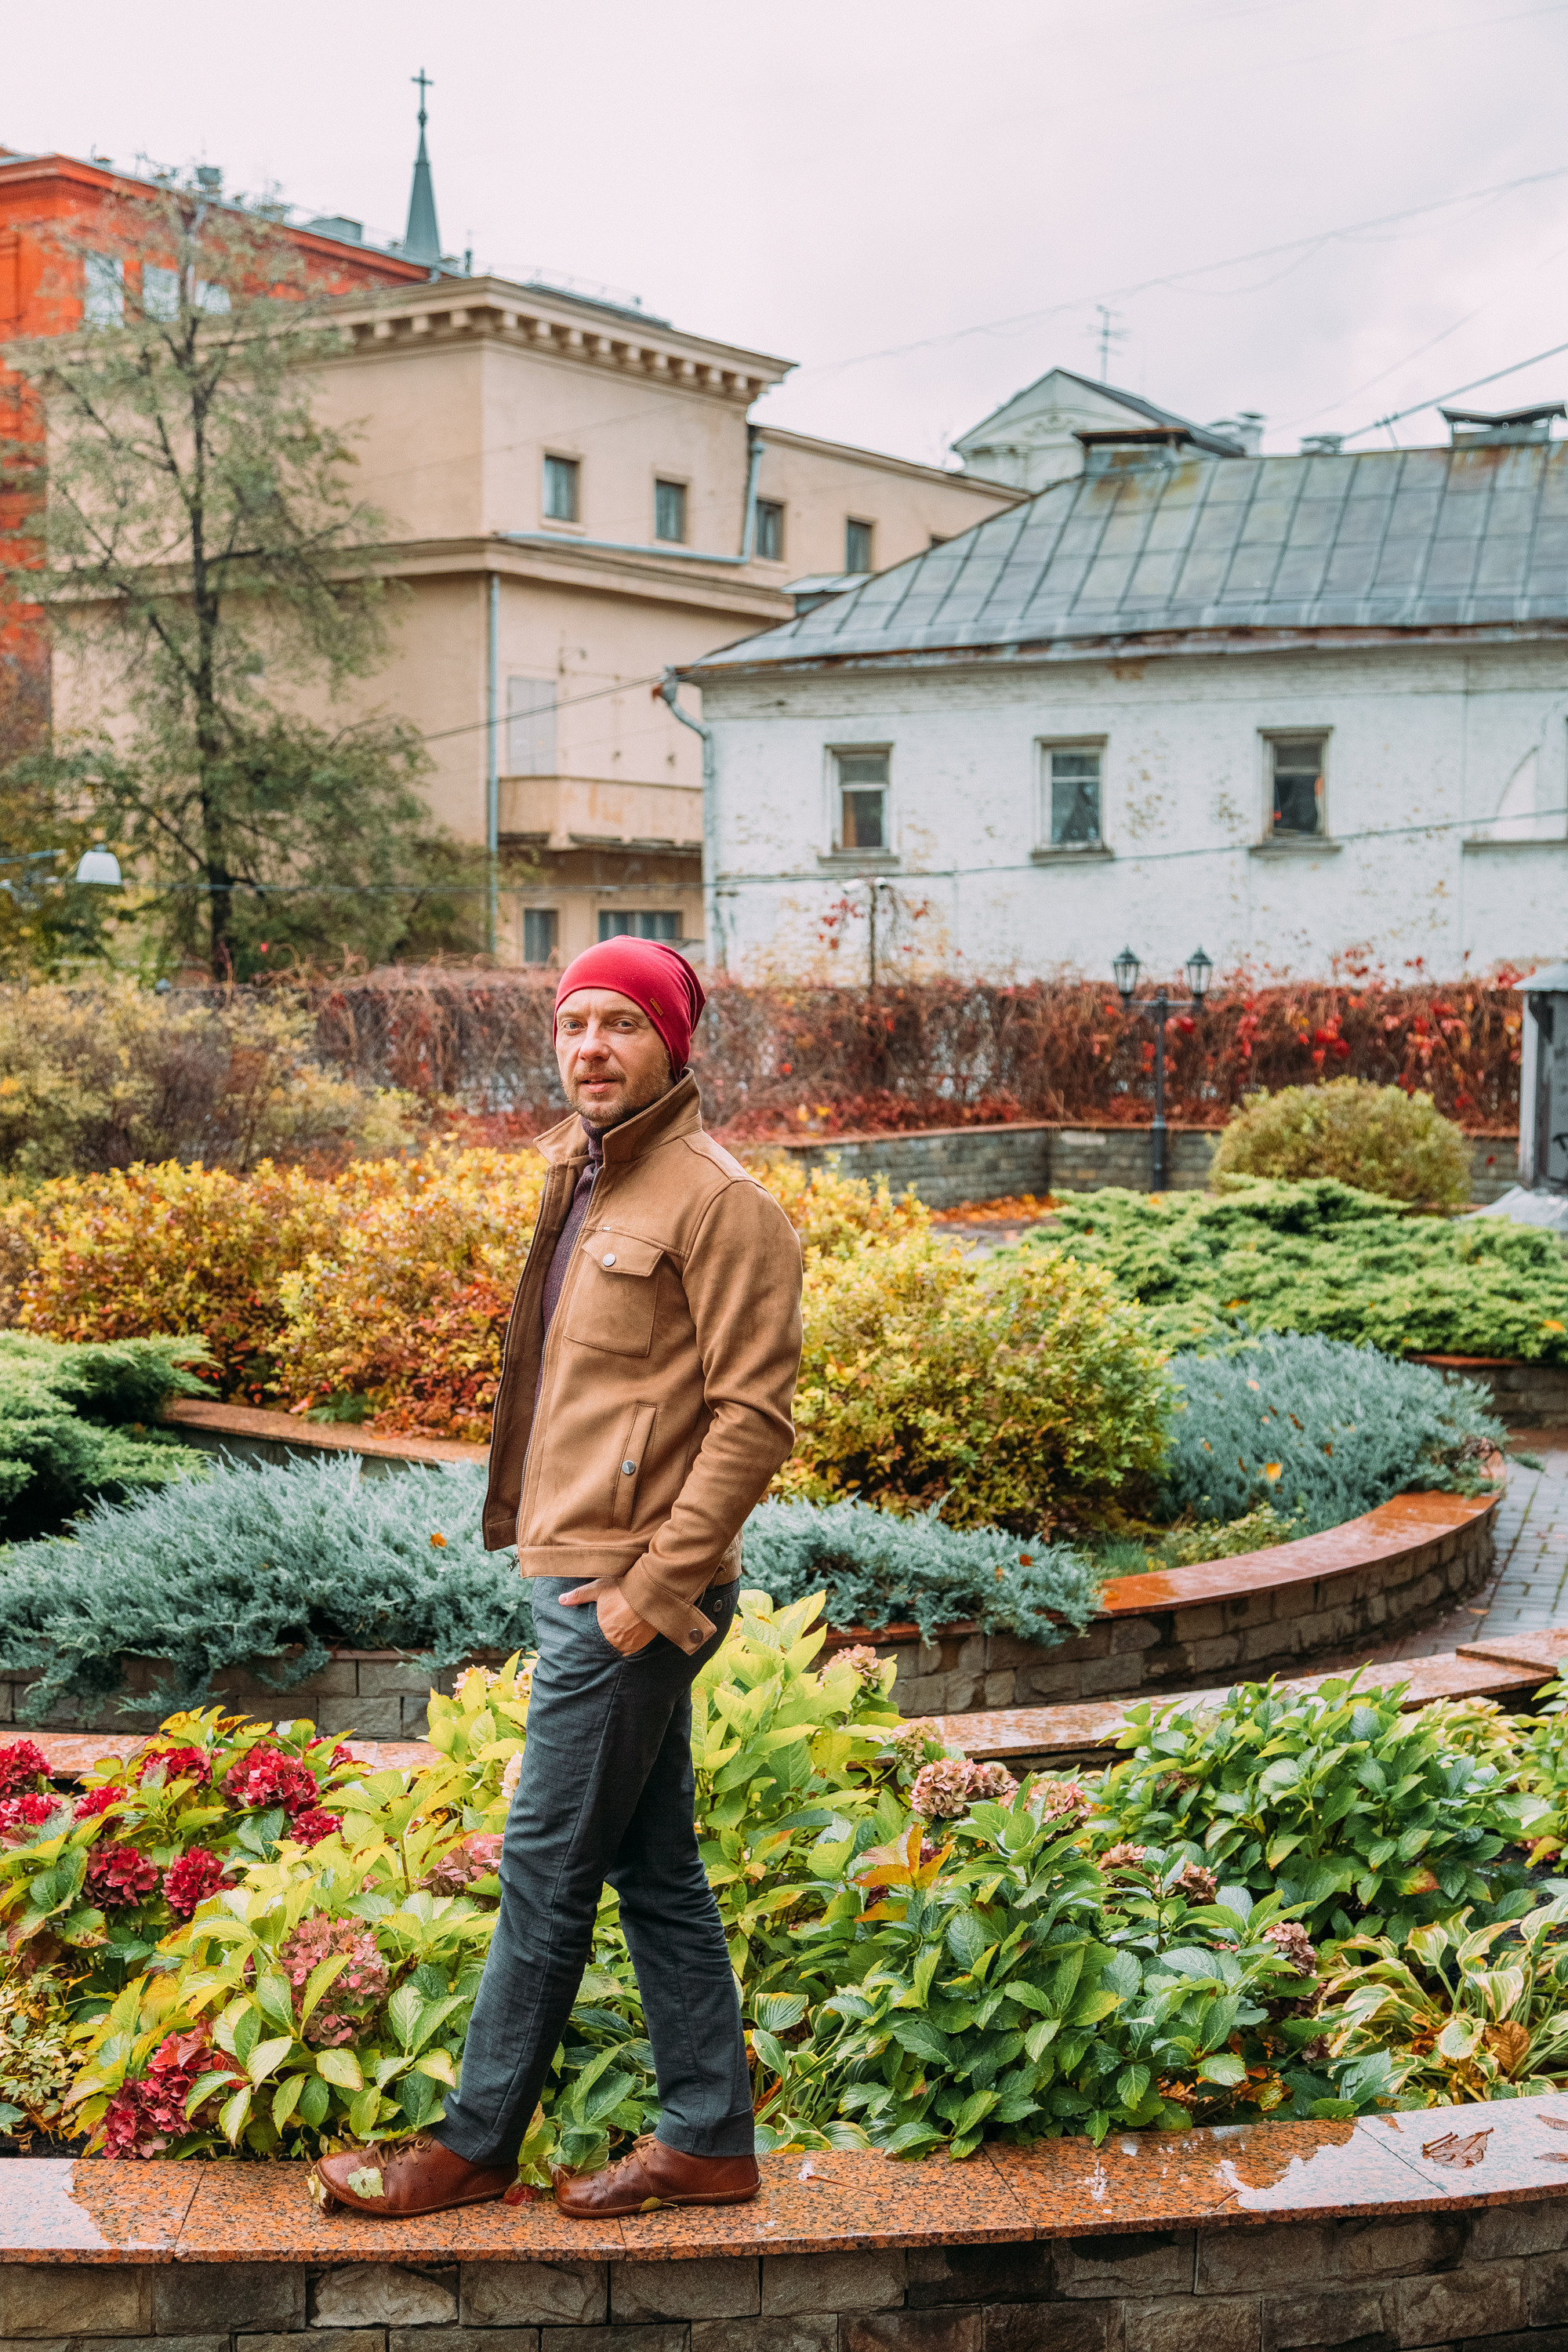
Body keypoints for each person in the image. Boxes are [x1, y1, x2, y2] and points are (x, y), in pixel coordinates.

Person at [310, 938, 804, 2223]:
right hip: (579, 1563)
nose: (591, 1047)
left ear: (672, 1045)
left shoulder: (721, 1201)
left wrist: (653, 1589)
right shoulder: (581, 1176)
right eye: (574, 1023)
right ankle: (709, 2140)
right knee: (654, 1865)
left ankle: (473, 2147)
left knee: (542, 1862)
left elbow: (752, 1420)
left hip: (628, 1588)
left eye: (621, 1025)